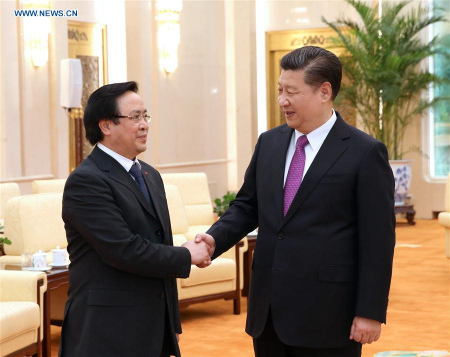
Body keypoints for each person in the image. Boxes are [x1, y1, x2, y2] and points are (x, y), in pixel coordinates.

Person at [196, 46, 395, 357]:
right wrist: (213, 239)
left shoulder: (364, 152)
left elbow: (378, 241)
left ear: (324, 92)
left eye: (291, 91)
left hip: (330, 316)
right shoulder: (269, 143)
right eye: (279, 90)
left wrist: (370, 311)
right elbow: (248, 207)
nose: (282, 101)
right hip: (269, 314)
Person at [59, 81, 212, 357]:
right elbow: (123, 250)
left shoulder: (149, 175)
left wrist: (171, 321)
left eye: (145, 116)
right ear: (106, 126)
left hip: (154, 327)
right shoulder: (86, 181)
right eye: (134, 117)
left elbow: (159, 242)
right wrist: (186, 255)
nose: (144, 125)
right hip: (107, 331)